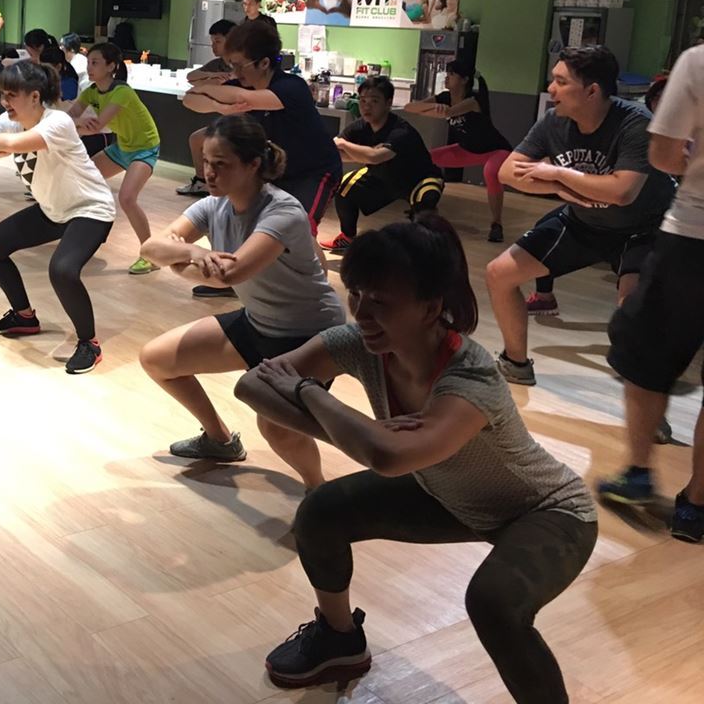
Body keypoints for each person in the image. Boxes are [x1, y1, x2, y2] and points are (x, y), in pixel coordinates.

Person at [231, 215, 597, 700]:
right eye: (355, 293)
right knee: (320, 512)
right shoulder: (358, 344)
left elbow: (385, 457)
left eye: (381, 301)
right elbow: (251, 385)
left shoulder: (472, 377)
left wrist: (309, 392)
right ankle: (339, 640)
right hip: (447, 491)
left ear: (431, 308)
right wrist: (364, 436)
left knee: (493, 602)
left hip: (545, 510)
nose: (362, 312)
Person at [139, 116, 344, 462]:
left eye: (221, 164)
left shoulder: (282, 211)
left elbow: (229, 274)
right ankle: (219, 441)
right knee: (156, 359)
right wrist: (194, 253)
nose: (209, 173)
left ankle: (315, 485)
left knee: (276, 426)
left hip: (309, 336)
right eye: (206, 162)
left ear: (253, 165)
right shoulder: (213, 205)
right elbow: (150, 249)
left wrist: (178, 259)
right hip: (258, 322)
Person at [486, 45, 676, 385]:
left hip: (642, 229)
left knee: (632, 312)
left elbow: (622, 191)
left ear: (592, 91)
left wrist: (558, 174)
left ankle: (645, 391)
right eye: (553, 80)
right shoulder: (553, 121)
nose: (551, 89)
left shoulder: (636, 123)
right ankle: (515, 363)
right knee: (499, 274)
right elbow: (507, 172)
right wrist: (560, 190)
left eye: (561, 82)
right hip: (583, 222)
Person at [601, 44, 704, 542]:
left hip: (694, 238)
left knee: (644, 354)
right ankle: (697, 507)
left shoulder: (698, 62)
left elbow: (663, 154)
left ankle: (639, 475)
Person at [0, 60, 116, 375]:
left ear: (34, 96)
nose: (5, 102)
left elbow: (8, 145)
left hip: (90, 209)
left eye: (11, 95)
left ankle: (89, 343)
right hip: (53, 209)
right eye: (3, 94)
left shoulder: (57, 122)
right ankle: (24, 316)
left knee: (63, 270)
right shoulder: (11, 121)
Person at [185, 21, 342, 282]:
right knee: (250, 220)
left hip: (314, 171)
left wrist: (214, 92)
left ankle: (318, 288)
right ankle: (243, 279)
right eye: (231, 65)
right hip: (276, 169)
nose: (235, 72)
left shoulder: (291, 87)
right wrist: (220, 106)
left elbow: (242, 99)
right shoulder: (242, 85)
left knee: (301, 228)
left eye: (240, 65)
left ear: (264, 63)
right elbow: (191, 98)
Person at [66, 42, 161, 275]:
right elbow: (69, 118)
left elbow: (97, 125)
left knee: (127, 199)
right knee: (82, 181)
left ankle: (151, 255)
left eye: (95, 63)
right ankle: (84, 234)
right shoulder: (91, 91)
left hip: (145, 148)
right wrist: (75, 124)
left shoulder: (122, 92)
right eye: (89, 62)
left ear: (111, 66)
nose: (89, 67)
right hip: (122, 147)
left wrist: (76, 126)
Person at [320, 76, 444, 252]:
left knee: (426, 199)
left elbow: (375, 156)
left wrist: (346, 145)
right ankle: (347, 237)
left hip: (419, 178)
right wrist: (364, 153)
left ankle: (426, 247)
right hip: (382, 175)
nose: (367, 106)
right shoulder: (359, 126)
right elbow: (336, 153)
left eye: (374, 101)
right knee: (345, 187)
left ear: (388, 103)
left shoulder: (401, 130)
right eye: (363, 100)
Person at [405, 55, 514, 242]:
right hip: (467, 150)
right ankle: (422, 206)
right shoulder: (444, 97)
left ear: (464, 80)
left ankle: (497, 224)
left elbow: (447, 113)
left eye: (452, 74)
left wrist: (434, 109)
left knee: (491, 172)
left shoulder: (473, 100)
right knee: (425, 159)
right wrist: (431, 107)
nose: (447, 77)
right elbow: (409, 107)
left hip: (496, 150)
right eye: (447, 73)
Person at [177, 18, 238, 197]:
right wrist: (212, 76)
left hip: (242, 120)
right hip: (228, 118)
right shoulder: (218, 64)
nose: (213, 46)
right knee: (197, 139)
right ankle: (201, 181)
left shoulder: (241, 64)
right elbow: (191, 76)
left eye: (218, 41)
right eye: (212, 41)